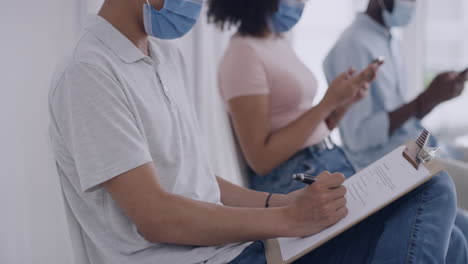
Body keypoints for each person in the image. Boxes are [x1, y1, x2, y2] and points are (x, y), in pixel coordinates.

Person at [49, 0, 380, 263]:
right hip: (197, 257)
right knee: (404, 219)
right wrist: (290, 220)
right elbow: (155, 218)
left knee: (397, 216)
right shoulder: (89, 71)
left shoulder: (166, 57)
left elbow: (197, 180)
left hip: (225, 250)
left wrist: (278, 204)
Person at [211, 0, 468, 262]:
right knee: (437, 192)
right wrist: (328, 102)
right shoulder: (242, 55)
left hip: (327, 160)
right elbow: (260, 158)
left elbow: (309, 128)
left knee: (454, 236)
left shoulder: (276, 42)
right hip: (296, 177)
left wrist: (343, 105)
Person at [323, 0, 468, 243]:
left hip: (420, 146)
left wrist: (434, 99)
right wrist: (425, 98)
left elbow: (400, 117)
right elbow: (359, 137)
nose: (413, 5)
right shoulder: (354, 45)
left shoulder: (388, 39)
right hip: (393, 163)